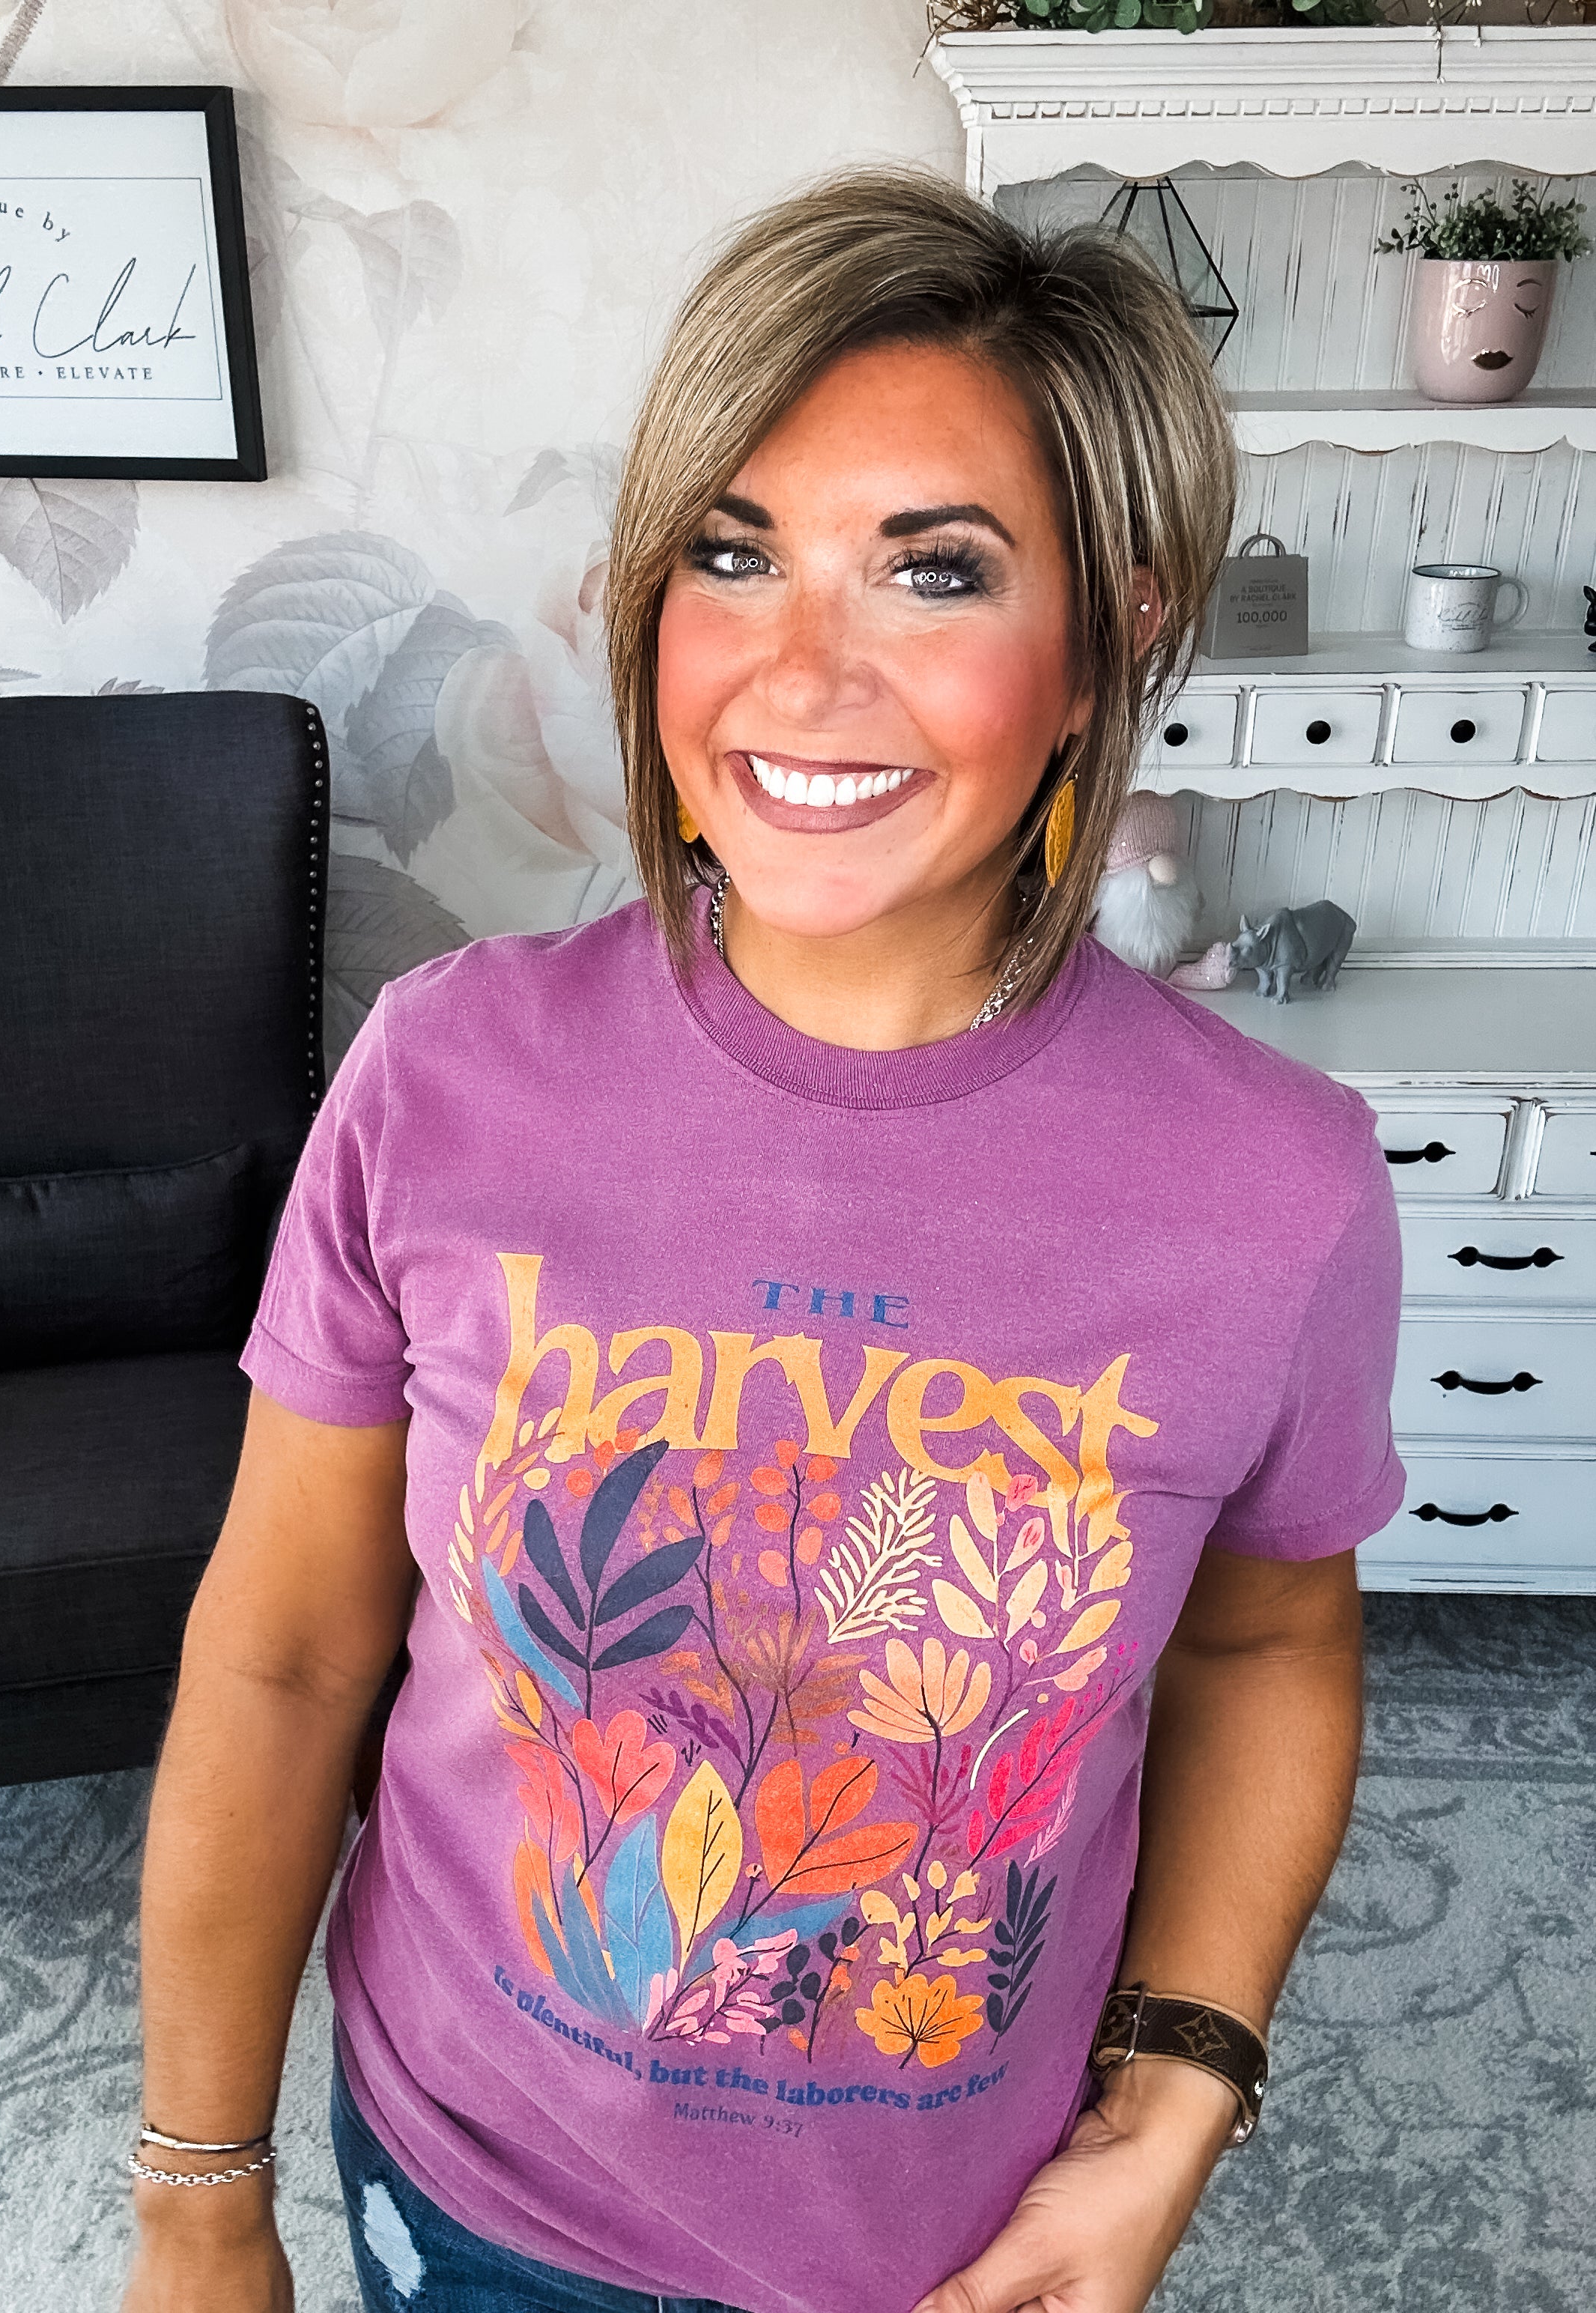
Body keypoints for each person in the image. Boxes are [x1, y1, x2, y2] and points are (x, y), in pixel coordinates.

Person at [123, 168, 1404, 2313]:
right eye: (731, 552)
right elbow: (283, 1655)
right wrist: (197, 2191)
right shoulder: (445, 1081)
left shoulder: (1273, 1183)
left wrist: (1183, 2084)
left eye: (934, 573)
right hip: (469, 2194)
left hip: (963, 2241)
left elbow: (1268, 1653)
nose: (798, 673)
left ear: (1107, 630)